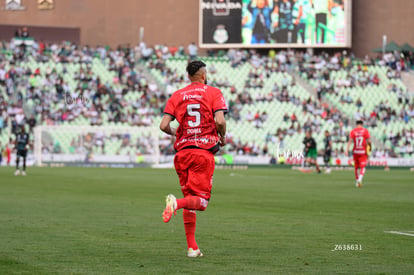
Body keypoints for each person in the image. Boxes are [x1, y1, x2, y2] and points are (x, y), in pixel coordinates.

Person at [160, 60, 227, 258]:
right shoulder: (213, 92)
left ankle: (192, 248)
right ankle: (175, 203)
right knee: (201, 202)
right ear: (204, 75)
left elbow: (163, 125)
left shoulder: (177, 95)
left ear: (188, 77)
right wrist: (222, 136)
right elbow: (220, 120)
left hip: (182, 154)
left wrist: (177, 133)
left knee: (191, 200)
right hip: (201, 152)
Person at [347, 120, 371, 188]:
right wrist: (369, 152)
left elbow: (350, 141)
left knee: (356, 167)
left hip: (355, 151)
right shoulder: (365, 131)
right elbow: (369, 142)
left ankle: (357, 180)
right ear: (362, 124)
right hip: (363, 151)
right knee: (363, 167)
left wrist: (347, 150)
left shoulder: (353, 131)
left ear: (356, 124)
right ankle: (360, 179)